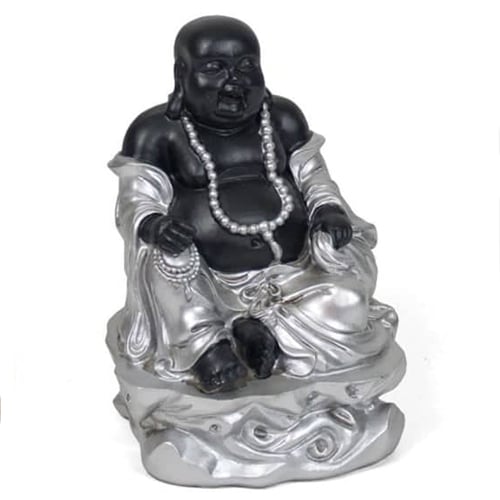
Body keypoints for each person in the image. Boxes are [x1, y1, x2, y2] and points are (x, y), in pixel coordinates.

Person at [108, 16, 398, 393]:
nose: (234, 81)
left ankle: (265, 333)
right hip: (205, 279)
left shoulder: (282, 119)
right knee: (163, 259)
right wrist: (154, 225)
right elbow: (136, 198)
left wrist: (327, 209)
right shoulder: (156, 131)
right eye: (215, 68)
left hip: (295, 274)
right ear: (182, 74)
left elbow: (313, 176)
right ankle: (207, 348)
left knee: (348, 292)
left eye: (246, 66)